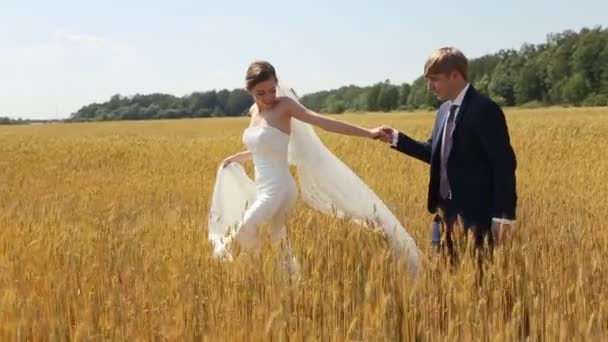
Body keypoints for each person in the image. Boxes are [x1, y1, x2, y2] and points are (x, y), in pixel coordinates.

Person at [208, 61, 421, 276]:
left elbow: (321, 122)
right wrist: (238, 157)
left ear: (277, 84)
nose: (268, 97)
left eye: (272, 90)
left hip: (280, 188)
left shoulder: (285, 106)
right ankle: (288, 284)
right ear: (249, 91)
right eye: (260, 93)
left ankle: (241, 271)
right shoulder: (254, 111)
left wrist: (368, 132)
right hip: (264, 186)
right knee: (278, 241)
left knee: (245, 228)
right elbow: (265, 148)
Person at [377, 47, 517, 259]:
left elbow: (503, 166)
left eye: (435, 79)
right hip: (443, 216)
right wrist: (398, 139)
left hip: (476, 219)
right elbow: (435, 153)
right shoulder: (443, 110)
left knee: (477, 285)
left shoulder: (485, 109)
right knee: (440, 280)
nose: (429, 87)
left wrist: (503, 218)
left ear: (455, 75)